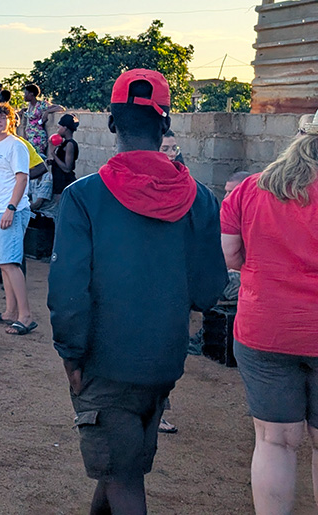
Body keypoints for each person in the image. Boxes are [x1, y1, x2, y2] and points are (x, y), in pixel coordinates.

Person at [48, 69, 227, 515]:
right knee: (120, 465)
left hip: (102, 361)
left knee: (124, 477)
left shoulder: (83, 197)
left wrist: (71, 355)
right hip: (164, 360)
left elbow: (69, 290)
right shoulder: (200, 198)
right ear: (165, 126)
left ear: (111, 123)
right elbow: (209, 289)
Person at [220, 109, 318, 514]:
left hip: (265, 330)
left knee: (275, 441)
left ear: (297, 138)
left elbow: (230, 256)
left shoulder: (249, 189)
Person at [0, 103, 37, 335]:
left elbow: (22, 179)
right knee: (2, 264)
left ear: (12, 121)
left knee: (10, 263)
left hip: (11, 211)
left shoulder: (16, 146)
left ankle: (26, 316)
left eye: (3, 117)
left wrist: (11, 208)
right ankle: (10, 312)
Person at [50, 113, 79, 216]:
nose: (58, 129)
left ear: (65, 128)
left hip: (64, 182)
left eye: (60, 127)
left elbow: (67, 168)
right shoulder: (62, 143)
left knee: (63, 212)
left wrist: (53, 153)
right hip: (58, 181)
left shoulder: (70, 144)